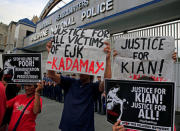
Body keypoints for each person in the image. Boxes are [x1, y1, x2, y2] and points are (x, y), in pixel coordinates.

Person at [46, 40, 112, 131]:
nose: (81, 71)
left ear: (90, 72)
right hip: (66, 127)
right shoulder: (70, 82)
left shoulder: (93, 87)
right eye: (80, 67)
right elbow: (51, 75)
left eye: (84, 68)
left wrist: (108, 59)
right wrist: (51, 55)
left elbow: (107, 81)